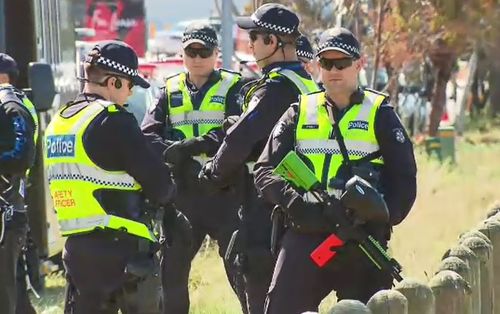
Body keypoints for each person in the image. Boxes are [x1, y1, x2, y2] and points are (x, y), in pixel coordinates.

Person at [253, 27, 417, 313]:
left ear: (359, 64)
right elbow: (266, 169)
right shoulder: (300, 110)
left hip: (359, 237)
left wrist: (380, 213)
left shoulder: (380, 113)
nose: (333, 70)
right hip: (307, 234)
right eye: (326, 63)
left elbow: (404, 180)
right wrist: (299, 205)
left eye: (341, 63)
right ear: (316, 66)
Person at [44, 40, 189, 314]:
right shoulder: (112, 120)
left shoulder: (59, 122)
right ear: (113, 82)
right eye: (129, 84)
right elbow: (159, 186)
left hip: (77, 250)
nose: (131, 92)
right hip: (123, 254)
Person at [199, 4, 319, 313]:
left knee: (261, 294)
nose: (249, 43)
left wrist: (213, 173)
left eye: (254, 36)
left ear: (274, 42)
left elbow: (241, 139)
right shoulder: (307, 84)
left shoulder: (275, 88)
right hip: (301, 203)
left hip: (266, 210)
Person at [141, 22, 248, 314]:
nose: (198, 58)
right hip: (184, 196)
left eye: (204, 51)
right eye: (192, 51)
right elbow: (148, 136)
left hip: (225, 193)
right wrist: (177, 156)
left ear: (216, 54)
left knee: (242, 270)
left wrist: (194, 146)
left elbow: (237, 133)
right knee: (171, 273)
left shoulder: (234, 86)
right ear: (183, 54)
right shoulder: (168, 89)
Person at [0, 53, 38, 314]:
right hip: (10, 214)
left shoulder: (10, 104)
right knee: (15, 297)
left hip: (7, 215)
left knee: (4, 297)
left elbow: (22, 155)